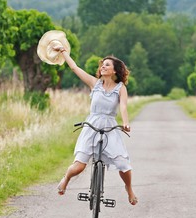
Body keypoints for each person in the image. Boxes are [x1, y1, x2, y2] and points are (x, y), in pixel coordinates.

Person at [54, 47, 138, 205]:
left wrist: (126, 122)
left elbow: (124, 107)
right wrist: (64, 52)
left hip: (110, 127)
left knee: (123, 164)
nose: (103, 67)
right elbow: (74, 67)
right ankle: (66, 179)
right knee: (78, 166)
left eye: (107, 65)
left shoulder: (121, 88)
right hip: (91, 125)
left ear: (115, 71)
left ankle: (129, 188)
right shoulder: (95, 83)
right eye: (102, 65)